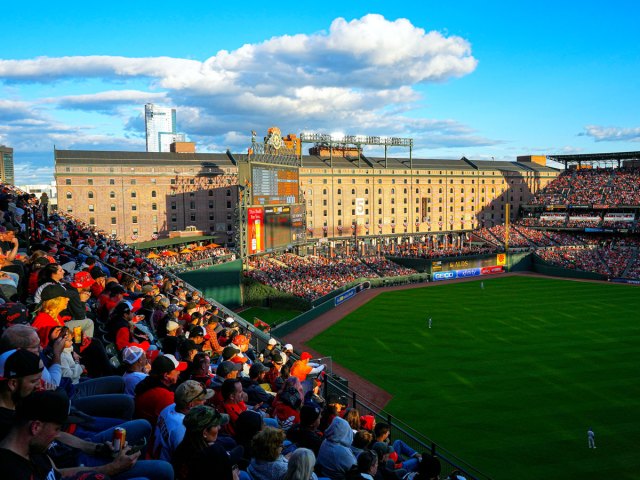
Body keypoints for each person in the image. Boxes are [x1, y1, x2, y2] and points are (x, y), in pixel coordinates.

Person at [0, 390, 138, 480]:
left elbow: (59, 473)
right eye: (57, 429)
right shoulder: (12, 471)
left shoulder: (34, 448)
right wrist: (112, 469)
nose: (58, 435)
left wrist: (100, 453)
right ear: (36, 427)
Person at [172, 405, 240, 480]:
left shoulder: (181, 449)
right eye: (216, 425)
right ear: (205, 433)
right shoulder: (214, 454)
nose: (219, 427)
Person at [153, 379, 214, 462]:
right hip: (168, 468)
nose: (205, 401)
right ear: (191, 404)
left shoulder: (170, 407)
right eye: (202, 399)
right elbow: (188, 462)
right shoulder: (183, 428)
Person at [134, 354, 187, 427]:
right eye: (176, 370)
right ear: (166, 375)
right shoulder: (164, 396)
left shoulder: (148, 382)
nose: (179, 372)